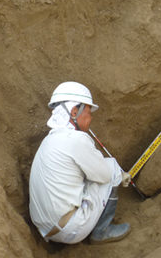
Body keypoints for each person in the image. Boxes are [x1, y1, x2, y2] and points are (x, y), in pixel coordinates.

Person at [29, 81, 131, 244]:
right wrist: (120, 174)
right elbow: (105, 175)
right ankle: (102, 231)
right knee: (111, 168)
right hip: (70, 230)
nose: (90, 118)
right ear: (74, 111)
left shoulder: (49, 140)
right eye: (89, 112)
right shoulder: (76, 139)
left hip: (47, 231)